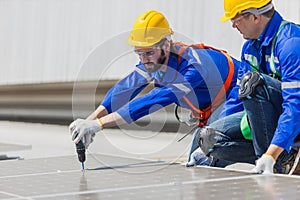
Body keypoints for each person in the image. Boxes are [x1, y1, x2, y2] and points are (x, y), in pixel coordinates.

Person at [69, 10, 241, 160]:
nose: (144, 60)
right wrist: (89, 121)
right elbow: (123, 91)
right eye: (139, 54)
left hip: (239, 96)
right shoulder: (154, 62)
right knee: (196, 161)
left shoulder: (192, 66)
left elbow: (152, 100)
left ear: (166, 45)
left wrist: (98, 125)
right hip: (217, 106)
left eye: (149, 52)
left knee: (209, 155)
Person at [188, 0, 300, 174]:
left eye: (236, 19)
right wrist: (208, 142)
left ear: (255, 17)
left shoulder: (290, 43)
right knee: (206, 138)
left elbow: (295, 105)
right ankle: (276, 159)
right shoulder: (250, 47)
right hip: (273, 115)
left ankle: (276, 161)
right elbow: (235, 98)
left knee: (254, 83)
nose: (233, 25)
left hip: (294, 117)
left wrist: (272, 153)